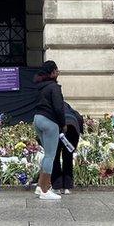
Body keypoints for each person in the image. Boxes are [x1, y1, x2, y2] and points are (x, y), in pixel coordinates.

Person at [32, 60, 65, 200]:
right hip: (50, 122)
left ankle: (40, 187)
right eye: (56, 70)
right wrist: (63, 124)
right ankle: (46, 190)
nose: (58, 72)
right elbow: (59, 108)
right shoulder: (54, 87)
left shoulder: (40, 86)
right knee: (50, 156)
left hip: (37, 119)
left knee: (47, 155)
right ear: (52, 73)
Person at [51, 103, 84, 194]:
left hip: (58, 128)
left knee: (55, 157)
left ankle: (57, 186)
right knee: (68, 157)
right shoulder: (69, 109)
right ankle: (67, 187)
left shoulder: (52, 107)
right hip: (73, 128)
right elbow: (79, 118)